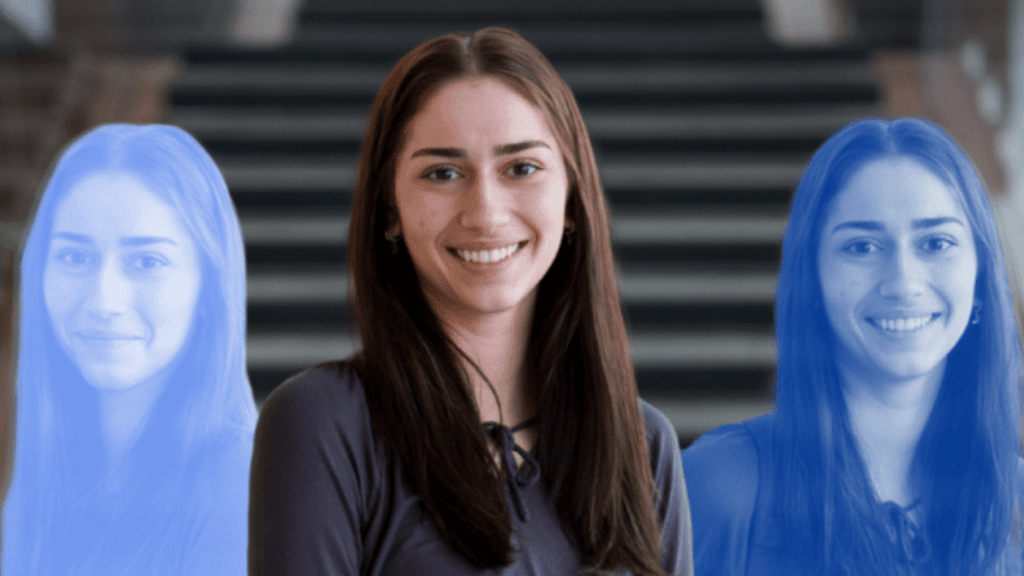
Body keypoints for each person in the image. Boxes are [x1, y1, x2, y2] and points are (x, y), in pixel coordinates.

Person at [248, 27, 693, 576]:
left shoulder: (643, 444)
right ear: (390, 208)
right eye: (443, 173)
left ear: (573, 199)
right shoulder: (323, 423)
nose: (485, 211)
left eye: (521, 168)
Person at [683, 117, 1024, 575]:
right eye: (862, 247)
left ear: (981, 276)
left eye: (936, 242)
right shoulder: (719, 487)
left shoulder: (1015, 503)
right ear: (813, 278)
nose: (903, 281)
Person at [2, 124, 257, 575]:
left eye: (147, 262)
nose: (104, 300)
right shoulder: (47, 471)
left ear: (208, 288)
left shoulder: (250, 483)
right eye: (75, 257)